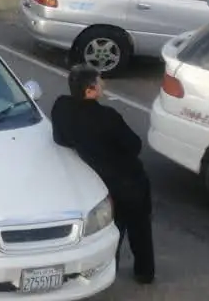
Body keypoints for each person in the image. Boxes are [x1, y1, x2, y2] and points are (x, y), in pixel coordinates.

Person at [50, 64, 155, 284]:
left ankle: (107, 271)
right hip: (128, 181)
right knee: (139, 228)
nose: (103, 84)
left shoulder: (62, 107)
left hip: (99, 183)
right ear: (90, 91)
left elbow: (60, 139)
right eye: (99, 82)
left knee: (110, 231)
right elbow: (134, 145)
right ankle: (144, 273)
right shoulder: (107, 117)